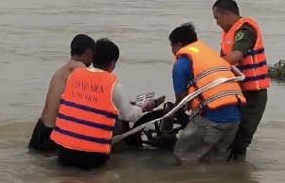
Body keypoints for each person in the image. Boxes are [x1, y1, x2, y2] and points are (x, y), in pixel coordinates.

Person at [50, 38, 154, 170]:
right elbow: (129, 115)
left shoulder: (74, 76)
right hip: (92, 155)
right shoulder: (113, 85)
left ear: (93, 57)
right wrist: (144, 108)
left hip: (64, 150)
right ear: (113, 63)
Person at [169, 23, 245, 165]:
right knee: (216, 160)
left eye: (171, 46)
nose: (172, 51)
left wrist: (171, 114)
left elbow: (181, 99)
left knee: (183, 153)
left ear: (178, 45)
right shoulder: (212, 56)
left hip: (212, 120)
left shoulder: (182, 63)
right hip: (234, 120)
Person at [212, 0, 270, 159]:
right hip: (237, 92)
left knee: (240, 139)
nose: (217, 23)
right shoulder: (229, 33)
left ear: (227, 13)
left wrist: (211, 69)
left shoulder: (245, 30)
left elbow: (236, 54)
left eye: (217, 18)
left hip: (253, 95)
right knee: (227, 135)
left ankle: (237, 173)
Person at [28, 34, 95, 152]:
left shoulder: (60, 70)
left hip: (40, 129)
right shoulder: (82, 71)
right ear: (89, 52)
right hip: (53, 133)